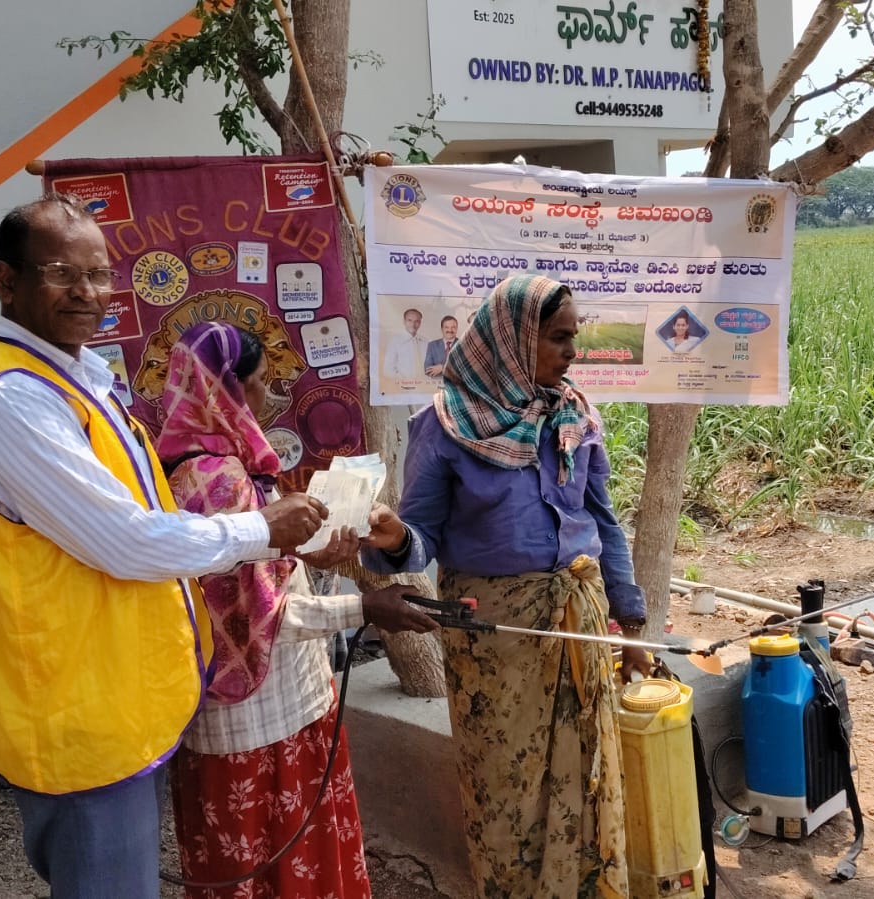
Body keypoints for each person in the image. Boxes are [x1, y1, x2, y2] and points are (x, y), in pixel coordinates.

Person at [0, 193, 329, 899]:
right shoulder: (12, 401)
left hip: (124, 703)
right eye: (63, 273)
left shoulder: (80, 384)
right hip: (77, 714)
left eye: (99, 276)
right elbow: (123, 540)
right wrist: (260, 531)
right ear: (8, 282)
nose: (88, 294)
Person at [361, 273, 646, 898]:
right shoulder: (444, 425)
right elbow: (421, 536)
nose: (572, 352)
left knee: (589, 775)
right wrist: (393, 543)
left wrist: (632, 626)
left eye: (575, 337)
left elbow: (602, 520)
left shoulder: (573, 413)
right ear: (513, 340)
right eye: (558, 338)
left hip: (579, 621)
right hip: (498, 640)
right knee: (505, 791)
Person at [154, 321, 439, 899]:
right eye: (258, 384)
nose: (264, 400)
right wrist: (365, 607)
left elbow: (264, 585)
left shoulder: (201, 468)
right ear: (224, 392)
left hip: (277, 708)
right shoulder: (217, 483)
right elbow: (260, 621)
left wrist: (326, 554)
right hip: (258, 723)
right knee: (279, 868)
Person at [382, 307, 425, 383]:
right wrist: (403, 380)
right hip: (403, 387)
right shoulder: (395, 341)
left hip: (424, 386)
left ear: (420, 323)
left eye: (417, 321)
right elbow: (387, 369)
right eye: (409, 320)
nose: (413, 324)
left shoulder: (426, 342)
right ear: (404, 321)